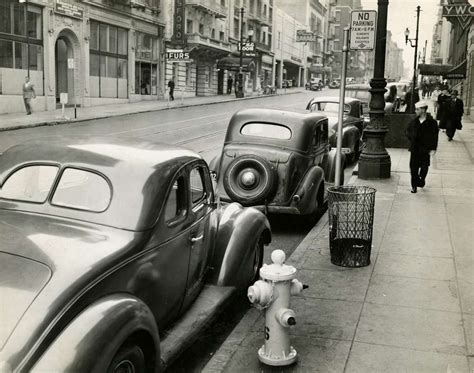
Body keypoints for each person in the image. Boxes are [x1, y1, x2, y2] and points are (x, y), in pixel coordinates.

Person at [405, 100, 439, 193]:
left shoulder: (432, 123)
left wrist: (433, 148)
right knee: (413, 168)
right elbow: (407, 132)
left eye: (417, 109)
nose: (416, 111)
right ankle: (414, 186)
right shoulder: (414, 122)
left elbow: (435, 136)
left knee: (424, 167)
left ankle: (422, 179)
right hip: (415, 148)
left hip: (425, 149)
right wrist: (412, 138)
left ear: (423, 110)